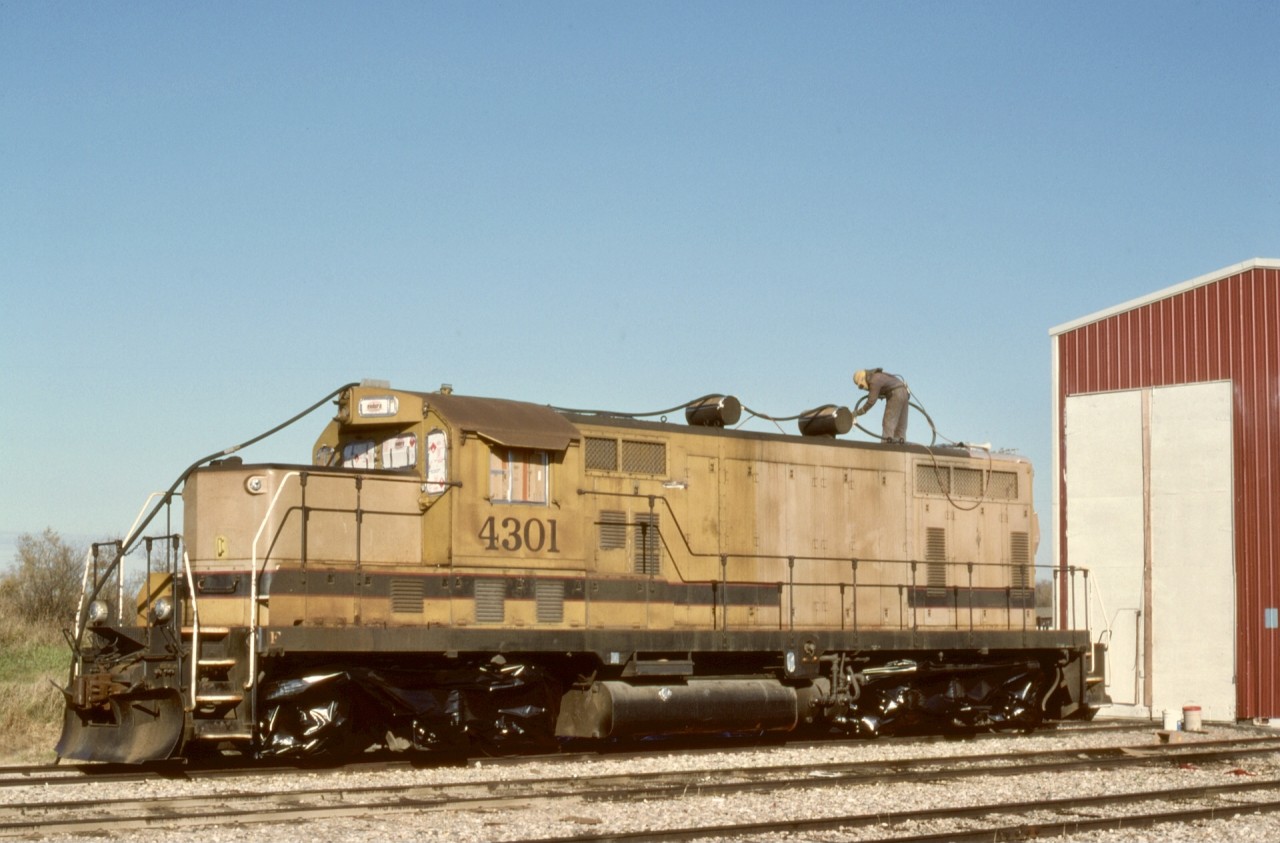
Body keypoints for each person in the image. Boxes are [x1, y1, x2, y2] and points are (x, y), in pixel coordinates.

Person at [853, 368, 909, 444]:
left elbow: (870, 402)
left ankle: (886, 447)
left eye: (862, 386)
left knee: (888, 422)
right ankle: (900, 447)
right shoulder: (879, 376)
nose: (864, 388)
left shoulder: (874, 380)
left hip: (895, 393)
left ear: (863, 379)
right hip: (904, 392)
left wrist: (857, 412)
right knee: (901, 425)